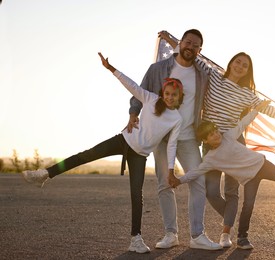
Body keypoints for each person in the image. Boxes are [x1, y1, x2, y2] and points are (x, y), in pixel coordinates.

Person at [22, 52, 185, 254]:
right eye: (167, 93)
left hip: (140, 156)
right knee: (86, 155)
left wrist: (170, 170)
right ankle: (45, 174)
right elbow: (132, 86)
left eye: (173, 95)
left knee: (137, 195)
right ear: (163, 92)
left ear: (179, 97)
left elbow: (171, 146)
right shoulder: (151, 99)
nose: (169, 97)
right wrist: (111, 69)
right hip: (123, 140)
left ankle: (136, 239)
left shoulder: (176, 119)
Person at [159, 31, 275, 248]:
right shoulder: (214, 76)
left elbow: (270, 111)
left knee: (231, 191)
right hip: (211, 144)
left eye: (245, 65)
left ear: (248, 71)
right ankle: (231, 217)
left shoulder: (248, 94)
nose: (240, 66)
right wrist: (171, 40)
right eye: (238, 62)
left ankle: (226, 234)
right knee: (210, 191)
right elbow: (195, 57)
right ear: (231, 63)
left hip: (235, 144)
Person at [168, 101, 275, 250]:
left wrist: (257, 109)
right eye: (211, 134)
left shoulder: (229, 136)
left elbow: (243, 122)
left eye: (215, 130)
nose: (216, 134)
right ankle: (242, 238)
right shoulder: (210, 160)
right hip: (249, 179)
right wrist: (179, 180)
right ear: (205, 140)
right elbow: (195, 172)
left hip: (263, 165)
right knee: (248, 205)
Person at [127, 29, 221, 250]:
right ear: (181, 43)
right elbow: (139, 92)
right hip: (162, 136)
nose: (190, 47)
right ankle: (171, 234)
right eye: (187, 42)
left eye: (195, 45)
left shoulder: (202, 73)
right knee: (164, 185)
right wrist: (133, 113)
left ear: (200, 50)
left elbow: (221, 84)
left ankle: (197, 235)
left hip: (188, 137)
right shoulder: (157, 69)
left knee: (198, 181)